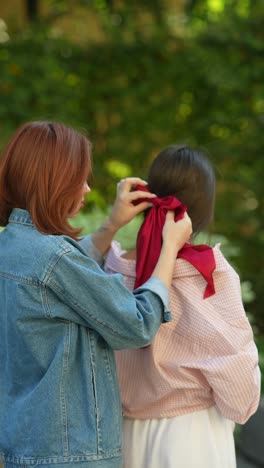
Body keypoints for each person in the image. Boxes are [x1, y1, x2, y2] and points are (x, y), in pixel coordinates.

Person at [0, 123, 192, 468]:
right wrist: (169, 248)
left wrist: (111, 225)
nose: (87, 189)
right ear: (55, 183)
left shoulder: (10, 247)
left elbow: (62, 286)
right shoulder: (53, 258)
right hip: (71, 454)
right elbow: (137, 323)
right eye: (80, 179)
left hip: (24, 446)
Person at [104, 144, 261, 468]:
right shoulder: (209, 275)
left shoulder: (112, 269)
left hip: (124, 439)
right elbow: (240, 384)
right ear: (203, 208)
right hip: (194, 438)